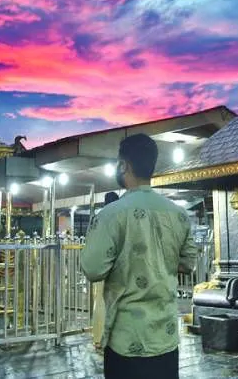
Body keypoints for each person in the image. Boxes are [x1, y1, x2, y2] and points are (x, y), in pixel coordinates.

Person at [81, 134, 197, 379]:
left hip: (126, 339)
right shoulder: (178, 215)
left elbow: (92, 269)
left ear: (124, 165)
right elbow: (188, 262)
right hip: (165, 338)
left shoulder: (110, 215)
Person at [91, 191, 121, 350]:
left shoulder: (99, 218)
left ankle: (98, 338)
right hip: (118, 266)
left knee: (100, 300)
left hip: (102, 264)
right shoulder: (121, 216)